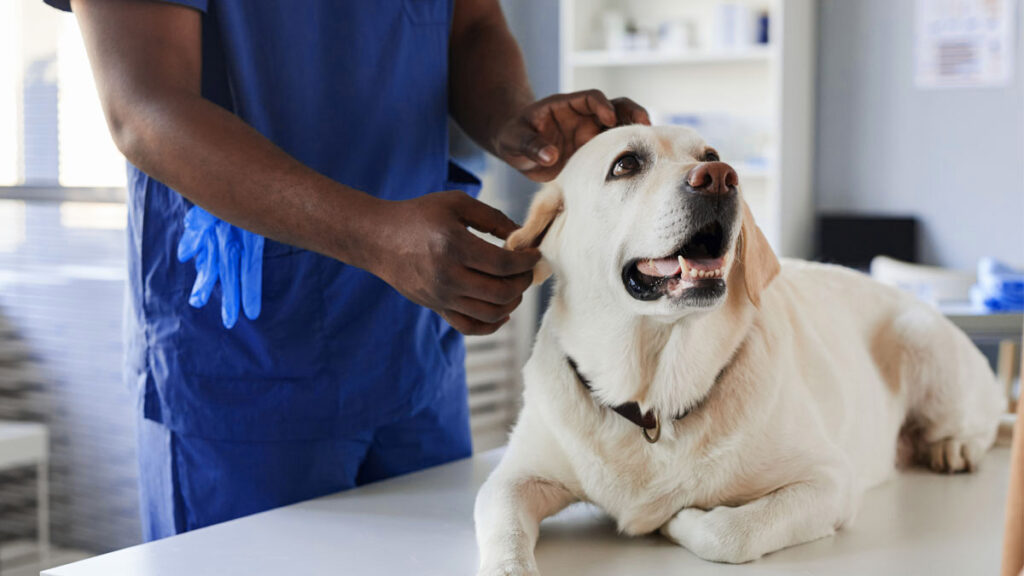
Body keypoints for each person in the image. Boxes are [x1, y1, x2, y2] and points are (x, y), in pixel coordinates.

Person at [49, 0, 649, 541]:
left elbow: (472, 27)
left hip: (412, 350)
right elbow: (143, 107)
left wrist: (517, 122)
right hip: (246, 363)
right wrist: (377, 238)